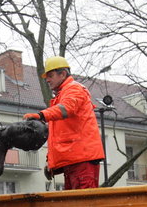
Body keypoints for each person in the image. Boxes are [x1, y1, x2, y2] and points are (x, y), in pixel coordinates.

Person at [24, 56, 105, 190]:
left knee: (81, 205)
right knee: (75, 205)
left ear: (62, 74)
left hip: (81, 159)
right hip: (76, 160)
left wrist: (41, 115)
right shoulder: (64, 94)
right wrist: (50, 162)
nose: (47, 80)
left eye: (50, 75)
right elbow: (57, 135)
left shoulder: (74, 89)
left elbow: (67, 108)